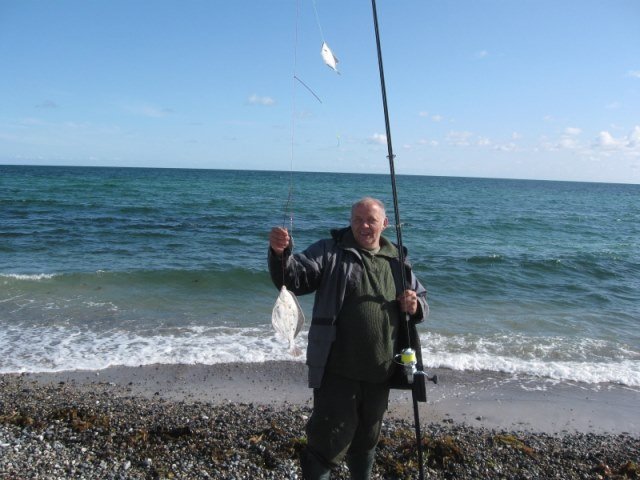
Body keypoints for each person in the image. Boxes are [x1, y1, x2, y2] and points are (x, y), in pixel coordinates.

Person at [268, 197, 429, 480]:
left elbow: (421, 299)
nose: (364, 226)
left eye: (371, 220)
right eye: (357, 220)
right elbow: (294, 278)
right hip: (337, 371)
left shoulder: (396, 259)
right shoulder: (330, 251)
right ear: (350, 222)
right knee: (326, 443)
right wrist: (280, 253)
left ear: (385, 223)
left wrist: (414, 306)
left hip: (381, 373)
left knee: (367, 440)